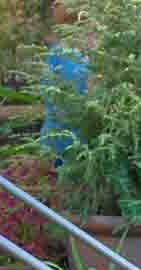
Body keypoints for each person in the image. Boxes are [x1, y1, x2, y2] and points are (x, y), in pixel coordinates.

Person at [41, 2, 90, 163]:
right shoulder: (57, 50)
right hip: (56, 141)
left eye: (58, 2)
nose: (53, 6)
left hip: (87, 144)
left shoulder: (96, 47)